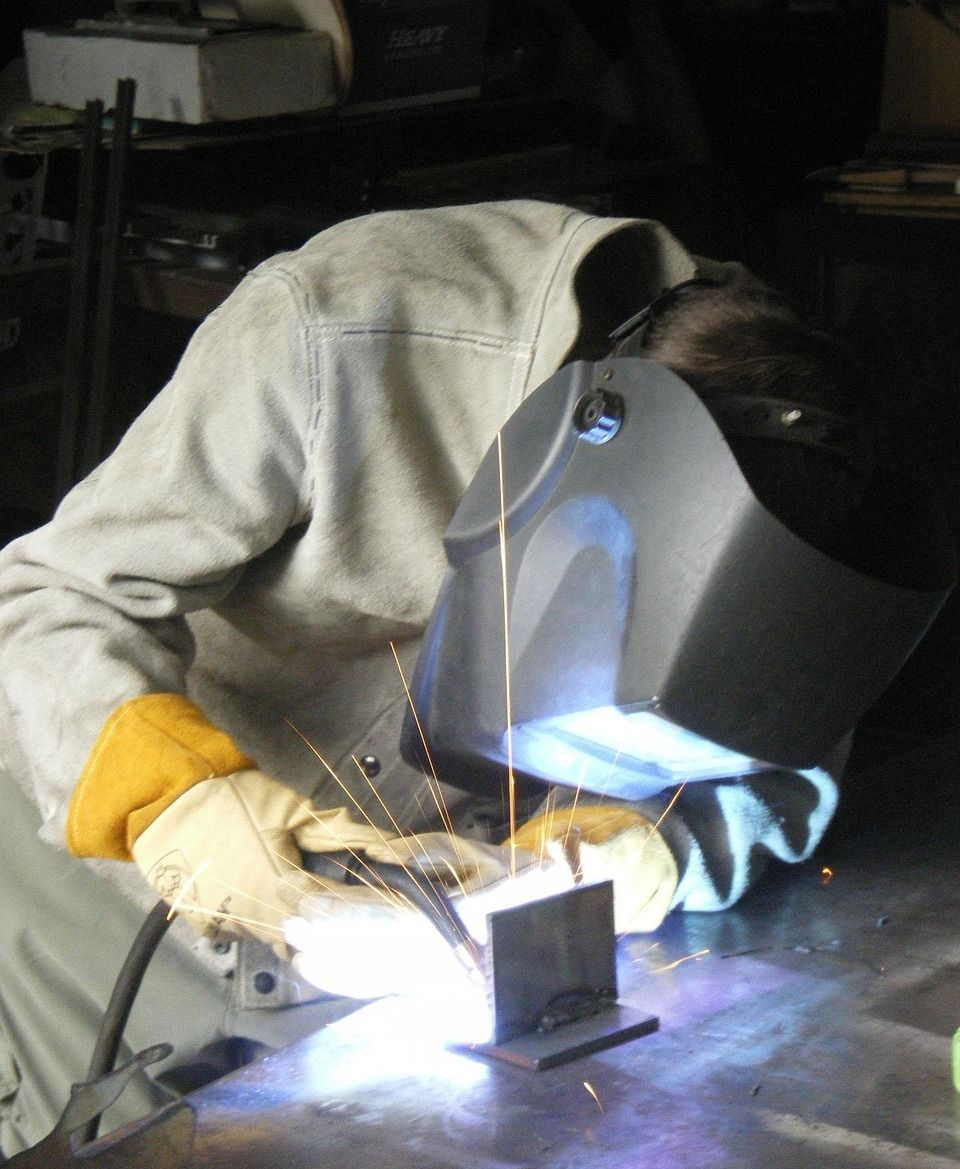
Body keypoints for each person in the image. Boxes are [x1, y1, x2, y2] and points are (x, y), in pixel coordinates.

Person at [0, 199, 867, 1154]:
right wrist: (181, 803)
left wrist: (609, 856)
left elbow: (779, 767)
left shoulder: (800, 504)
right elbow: (54, 595)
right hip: (112, 885)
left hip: (426, 928)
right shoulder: (340, 329)